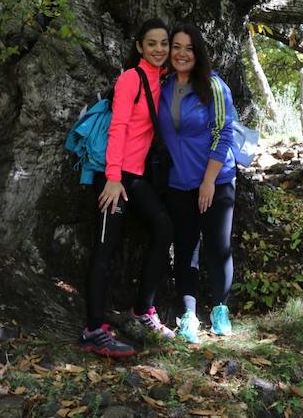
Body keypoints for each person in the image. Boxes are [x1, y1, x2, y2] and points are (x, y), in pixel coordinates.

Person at [78, 19, 176, 358]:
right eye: (152, 43)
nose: (159, 49)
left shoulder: (163, 80)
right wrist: (113, 176)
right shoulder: (131, 78)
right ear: (139, 46)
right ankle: (93, 330)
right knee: (105, 248)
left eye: (164, 43)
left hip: (137, 178)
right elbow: (118, 128)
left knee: (164, 228)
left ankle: (142, 310)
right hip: (116, 178)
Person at [159, 24, 237, 344]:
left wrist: (208, 182)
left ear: (198, 52)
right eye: (176, 47)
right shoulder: (162, 87)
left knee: (218, 248)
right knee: (186, 249)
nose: (181, 53)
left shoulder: (213, 86)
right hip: (179, 183)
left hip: (216, 181)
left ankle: (220, 309)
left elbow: (224, 135)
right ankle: (188, 315)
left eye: (188, 48)